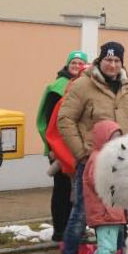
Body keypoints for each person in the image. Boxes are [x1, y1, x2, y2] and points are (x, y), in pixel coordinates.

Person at [57, 41, 128, 254]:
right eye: (108, 59)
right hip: (93, 162)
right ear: (100, 60)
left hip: (122, 163)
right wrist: (81, 153)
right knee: (82, 214)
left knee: (120, 216)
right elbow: (65, 119)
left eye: (117, 61)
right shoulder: (84, 85)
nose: (112, 64)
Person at [36, 50, 88, 241]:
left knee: (78, 192)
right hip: (59, 150)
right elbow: (48, 121)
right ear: (67, 65)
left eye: (80, 63)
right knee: (62, 190)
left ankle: (74, 231)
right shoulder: (57, 87)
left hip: (78, 150)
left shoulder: (86, 87)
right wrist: (51, 149)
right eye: (73, 62)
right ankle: (60, 230)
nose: (76, 66)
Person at [82, 121, 128, 254]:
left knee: (105, 247)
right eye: (113, 139)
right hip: (106, 212)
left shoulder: (105, 158)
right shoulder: (99, 159)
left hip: (112, 212)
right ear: (103, 139)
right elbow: (99, 183)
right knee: (107, 249)